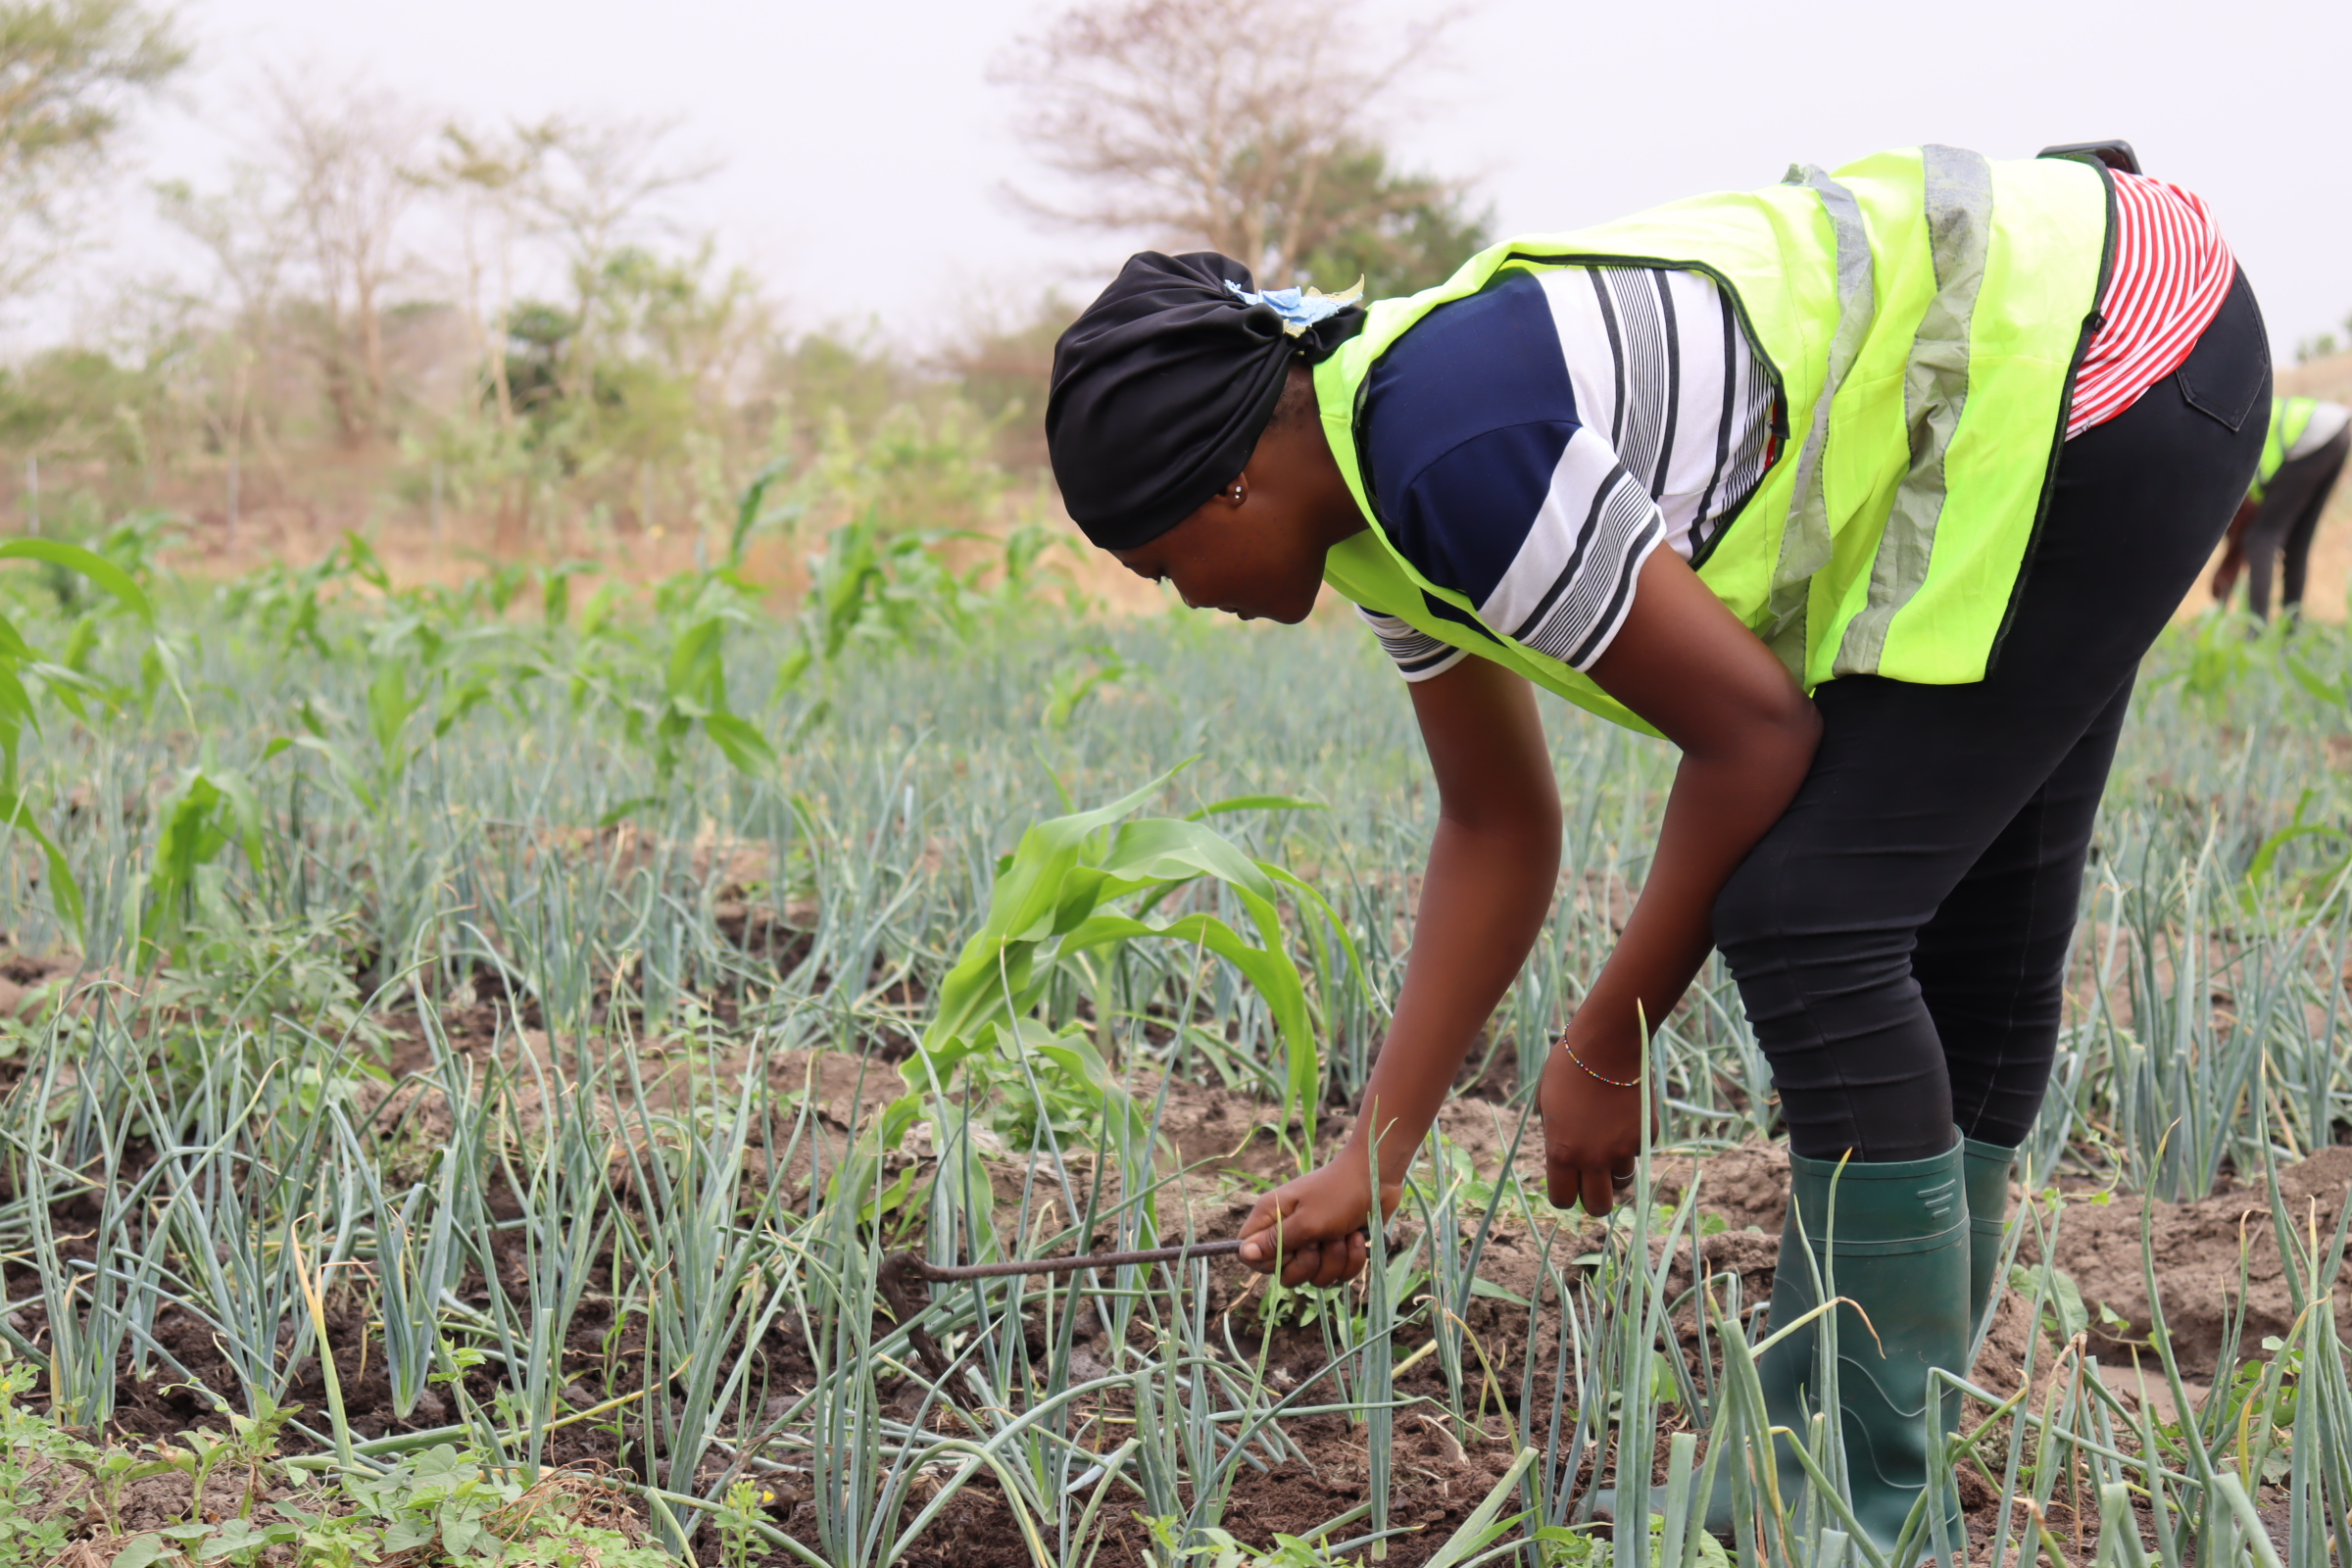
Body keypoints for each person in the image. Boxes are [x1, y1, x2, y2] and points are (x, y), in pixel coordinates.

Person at [1045, 144, 2266, 1547]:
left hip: (2106, 354)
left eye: (1158, 564)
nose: (1179, 596)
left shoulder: (1441, 452)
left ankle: (1838, 1511)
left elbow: (1754, 736)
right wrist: (1376, 1155)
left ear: (1230, 485)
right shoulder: (1373, 507)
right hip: (2084, 343)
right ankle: (1865, 1476)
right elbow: (1496, 823)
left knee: (1812, 914)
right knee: (1951, 922)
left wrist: (1607, 1041)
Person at [2211, 394, 2351, 617]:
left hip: (2310, 436)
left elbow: (2249, 520)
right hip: (2337, 429)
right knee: (2298, 541)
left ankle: (2256, 628)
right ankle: (2291, 628)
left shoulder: (2230, 461)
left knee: (2260, 538)